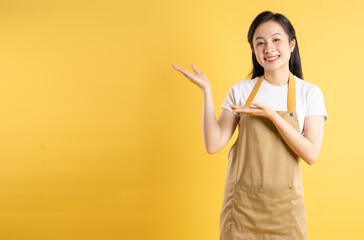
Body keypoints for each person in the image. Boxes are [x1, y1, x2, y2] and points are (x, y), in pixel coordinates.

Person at [171, 10, 327, 240]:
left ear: (291, 44)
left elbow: (311, 154)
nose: (268, 48)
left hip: (286, 212)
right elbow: (213, 144)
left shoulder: (309, 93)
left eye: (276, 40)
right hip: (241, 209)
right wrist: (207, 92)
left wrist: (273, 116)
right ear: (254, 50)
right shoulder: (241, 91)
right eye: (259, 43)